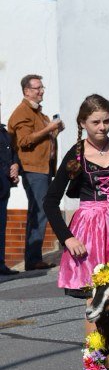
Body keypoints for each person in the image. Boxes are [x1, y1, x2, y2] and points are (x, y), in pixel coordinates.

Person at [42, 95, 109, 341]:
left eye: (106, 121)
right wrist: (67, 238)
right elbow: (50, 201)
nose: (102, 127)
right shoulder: (76, 155)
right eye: (96, 122)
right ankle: (96, 366)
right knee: (94, 301)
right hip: (89, 233)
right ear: (83, 123)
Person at [7, 74, 64, 271]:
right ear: (27, 91)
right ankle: (33, 259)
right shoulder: (23, 112)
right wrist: (48, 128)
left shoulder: (37, 112)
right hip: (33, 169)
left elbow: (40, 136)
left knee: (41, 211)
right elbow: (24, 141)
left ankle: (34, 258)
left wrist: (54, 131)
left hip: (42, 168)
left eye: (42, 87)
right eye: (37, 88)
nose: (41, 91)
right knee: (39, 211)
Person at [0, 112, 21, 276]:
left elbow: (12, 153)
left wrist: (15, 165)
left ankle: (0, 264)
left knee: (1, 226)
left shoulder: (4, 133)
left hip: (3, 186)